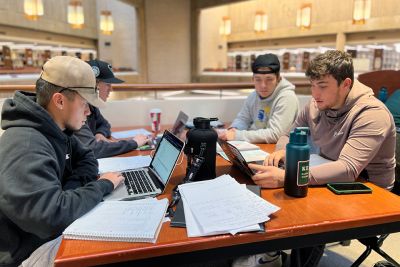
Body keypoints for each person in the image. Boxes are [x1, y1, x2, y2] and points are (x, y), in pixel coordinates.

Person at [245, 50, 396, 267]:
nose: (315, 94)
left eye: (322, 86)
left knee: (308, 210)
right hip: (331, 172)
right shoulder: (316, 104)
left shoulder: (372, 113)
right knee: (279, 193)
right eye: (312, 85)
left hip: (370, 189)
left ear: (345, 84)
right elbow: (287, 135)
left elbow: (348, 168)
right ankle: (273, 252)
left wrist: (291, 176)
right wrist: (283, 151)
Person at [0, 56, 124, 267]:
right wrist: (102, 186)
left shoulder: (58, 129)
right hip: (26, 254)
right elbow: (51, 218)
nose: (88, 112)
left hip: (47, 233)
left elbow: (87, 157)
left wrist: (70, 192)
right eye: (85, 104)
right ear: (59, 101)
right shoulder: (27, 145)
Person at [74, 59, 149, 158]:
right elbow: (93, 149)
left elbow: (105, 124)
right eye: (108, 84)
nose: (111, 89)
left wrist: (99, 134)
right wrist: (134, 143)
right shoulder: (76, 111)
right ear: (94, 84)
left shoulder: (91, 106)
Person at [218, 53, 299, 143]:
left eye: (269, 79)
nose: (263, 85)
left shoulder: (287, 97)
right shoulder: (253, 96)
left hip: (278, 151)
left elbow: (276, 134)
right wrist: (234, 129)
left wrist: (237, 135)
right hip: (256, 147)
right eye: (258, 79)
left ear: (278, 79)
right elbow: (243, 119)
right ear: (252, 79)